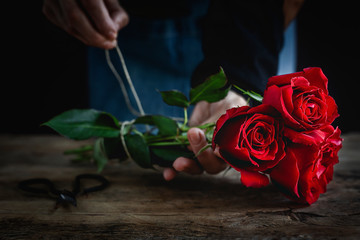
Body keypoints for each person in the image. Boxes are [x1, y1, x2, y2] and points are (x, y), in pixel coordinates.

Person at [42, 0, 301, 181]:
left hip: (257, 29)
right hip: (131, 30)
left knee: (276, 146)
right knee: (124, 170)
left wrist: (240, 78)